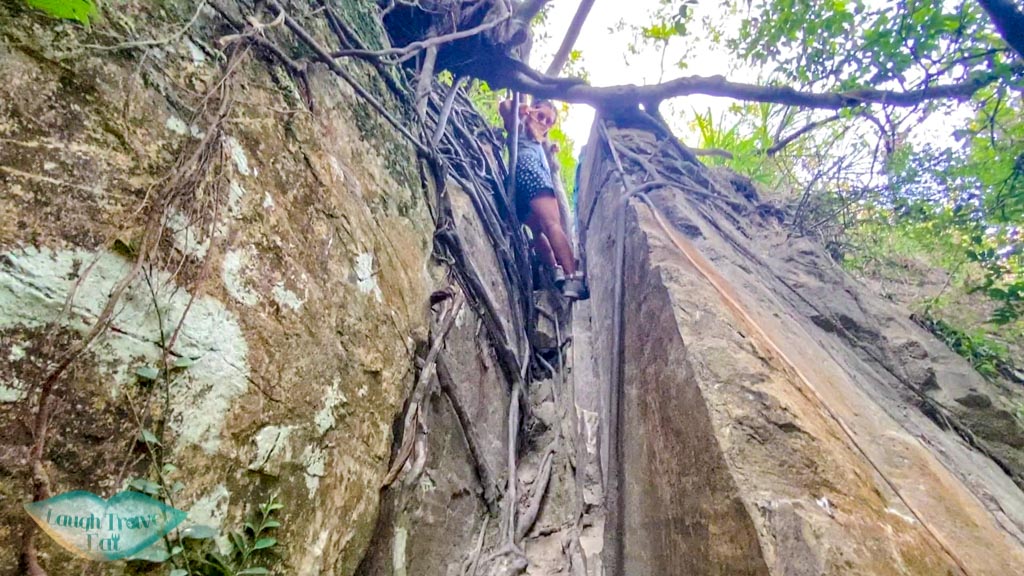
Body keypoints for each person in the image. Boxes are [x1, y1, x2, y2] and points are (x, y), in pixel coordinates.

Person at [499, 98, 588, 300]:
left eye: (549, 122)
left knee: (539, 231)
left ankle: (553, 269)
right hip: (531, 174)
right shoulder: (520, 124)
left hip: (518, 184)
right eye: (541, 116)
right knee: (552, 224)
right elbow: (504, 108)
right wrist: (520, 108)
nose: (544, 123)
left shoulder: (535, 141)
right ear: (531, 111)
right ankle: (571, 276)